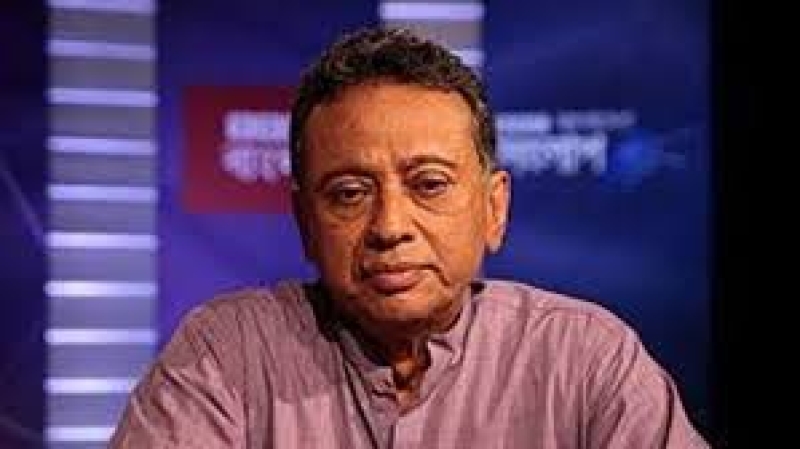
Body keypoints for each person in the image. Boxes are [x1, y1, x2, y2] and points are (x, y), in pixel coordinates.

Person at [110, 27, 710, 448]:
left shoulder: (585, 360)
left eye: (429, 184)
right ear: (304, 222)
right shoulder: (227, 356)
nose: (390, 226)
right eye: (350, 193)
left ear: (494, 208)